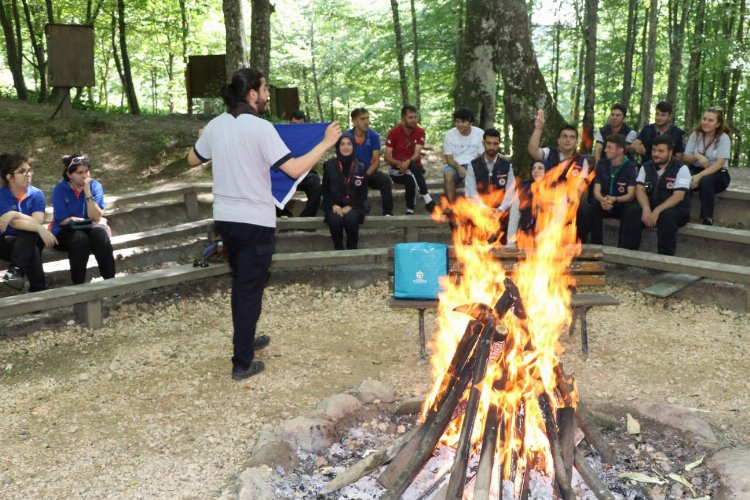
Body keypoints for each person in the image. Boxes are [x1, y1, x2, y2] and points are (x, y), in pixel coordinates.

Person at [187, 67, 341, 381]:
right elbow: (294, 167)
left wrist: (203, 136)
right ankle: (242, 362)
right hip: (254, 221)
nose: (268, 94)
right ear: (252, 94)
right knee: (248, 289)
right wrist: (326, 143)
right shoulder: (260, 127)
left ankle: (245, 339)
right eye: (265, 88)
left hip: (226, 220)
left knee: (244, 284)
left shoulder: (217, 125)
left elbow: (192, 160)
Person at [620, 135, 691, 256]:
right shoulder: (646, 166)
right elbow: (640, 189)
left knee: (666, 216)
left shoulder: (681, 168)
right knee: (633, 211)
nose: (656, 154)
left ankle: (665, 258)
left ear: (670, 152)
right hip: (651, 205)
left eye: (660, 151)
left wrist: (657, 210)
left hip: (676, 209)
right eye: (654, 150)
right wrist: (646, 208)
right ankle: (627, 254)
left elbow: (678, 196)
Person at [50, 154, 116, 285]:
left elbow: (96, 216)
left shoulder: (95, 186)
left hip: (89, 228)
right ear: (69, 175)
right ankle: (79, 286)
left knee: (100, 234)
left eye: (86, 171)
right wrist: (89, 221)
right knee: (80, 239)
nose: (84, 175)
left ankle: (111, 282)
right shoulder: (59, 189)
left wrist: (87, 193)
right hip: (64, 232)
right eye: (79, 172)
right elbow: (63, 220)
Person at [527, 109, 590, 241]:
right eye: (564, 136)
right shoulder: (549, 152)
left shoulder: (581, 161)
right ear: (558, 140)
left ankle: (578, 244)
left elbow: (580, 188)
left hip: (568, 199)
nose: (568, 140)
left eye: (572, 137)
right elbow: (533, 151)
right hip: (545, 195)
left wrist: (567, 201)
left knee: (584, 208)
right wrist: (538, 129)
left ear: (576, 142)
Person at [0, 153, 57, 292]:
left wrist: (14, 214)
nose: (28, 174)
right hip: (7, 242)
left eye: (29, 170)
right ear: (9, 177)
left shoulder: (37, 194)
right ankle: (39, 291)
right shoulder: (2, 195)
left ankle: (15, 273)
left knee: (30, 236)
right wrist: (39, 229)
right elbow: (15, 224)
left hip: (31, 239)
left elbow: (37, 220)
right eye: (22, 171)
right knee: (33, 249)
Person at [681, 106, 732, 226]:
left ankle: (707, 218)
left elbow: (720, 164)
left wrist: (698, 177)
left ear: (718, 124)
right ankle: (682, 214)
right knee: (683, 180)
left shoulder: (724, 138)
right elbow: (685, 157)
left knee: (705, 181)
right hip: (696, 169)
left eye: (710, 120)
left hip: (719, 173)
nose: (706, 122)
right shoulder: (696, 135)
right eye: (704, 119)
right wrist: (697, 156)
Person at [384, 105, 436, 214]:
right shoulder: (394, 132)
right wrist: (401, 164)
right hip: (397, 170)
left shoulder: (420, 131)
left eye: (415, 117)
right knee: (411, 170)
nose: (414, 120)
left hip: (415, 168)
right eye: (410, 117)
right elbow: (387, 157)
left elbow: (416, 155)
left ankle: (410, 209)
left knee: (410, 175)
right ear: (403, 118)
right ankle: (428, 200)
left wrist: (407, 163)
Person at [588, 134, 637, 246]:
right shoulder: (601, 164)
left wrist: (615, 199)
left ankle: (622, 248)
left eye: (609, 147)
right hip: (604, 201)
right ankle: (596, 245)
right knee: (594, 206)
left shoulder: (630, 167)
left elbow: (631, 194)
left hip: (620, 202)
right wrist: (603, 200)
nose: (605, 150)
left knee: (629, 208)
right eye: (606, 147)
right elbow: (596, 190)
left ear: (620, 150)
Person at [321, 136, 369, 250]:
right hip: (334, 205)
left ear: (353, 146)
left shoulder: (361, 166)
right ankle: (338, 248)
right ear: (338, 147)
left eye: (349, 144)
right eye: (342, 144)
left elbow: (363, 192)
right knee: (335, 220)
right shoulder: (329, 165)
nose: (346, 147)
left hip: (355, 205)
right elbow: (325, 190)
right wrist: (333, 205)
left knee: (351, 219)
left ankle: (352, 248)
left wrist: (351, 206)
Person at [344, 107, 393, 216]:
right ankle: (353, 210)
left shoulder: (374, 136)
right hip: (351, 172)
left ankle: (388, 213)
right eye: (362, 119)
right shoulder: (346, 136)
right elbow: (343, 159)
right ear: (354, 122)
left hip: (369, 171)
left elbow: (376, 161)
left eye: (367, 118)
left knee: (384, 180)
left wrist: (365, 175)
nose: (366, 122)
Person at [277, 110, 322, 217]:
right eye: (294, 125)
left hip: (305, 174)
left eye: (300, 125)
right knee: (270, 183)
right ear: (289, 123)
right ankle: (286, 216)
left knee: (315, 183)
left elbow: (315, 164)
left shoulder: (310, 139)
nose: (296, 128)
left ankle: (307, 218)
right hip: (285, 174)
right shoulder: (281, 137)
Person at [465, 128, 515, 212]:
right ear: (483, 143)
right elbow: (471, 193)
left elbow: (510, 192)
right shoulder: (473, 165)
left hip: (501, 211)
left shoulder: (507, 165)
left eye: (495, 144)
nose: (492, 147)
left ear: (499, 144)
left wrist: (500, 209)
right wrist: (484, 209)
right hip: (479, 211)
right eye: (488, 143)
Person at [442, 108, 484, 203]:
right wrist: (459, 167)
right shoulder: (450, 135)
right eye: (457, 121)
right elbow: (449, 159)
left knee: (470, 178)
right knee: (448, 176)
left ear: (471, 122)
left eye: (463, 121)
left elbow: (481, 157)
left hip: (474, 165)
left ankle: (473, 208)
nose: (460, 125)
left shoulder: (480, 133)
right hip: (455, 165)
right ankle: (451, 207)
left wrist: (470, 170)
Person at [506, 160, 548, 248]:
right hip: (525, 240)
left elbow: (558, 218)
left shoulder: (556, 189)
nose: (536, 171)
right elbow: (514, 218)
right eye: (533, 168)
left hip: (547, 242)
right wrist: (510, 243)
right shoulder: (522, 189)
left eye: (540, 168)